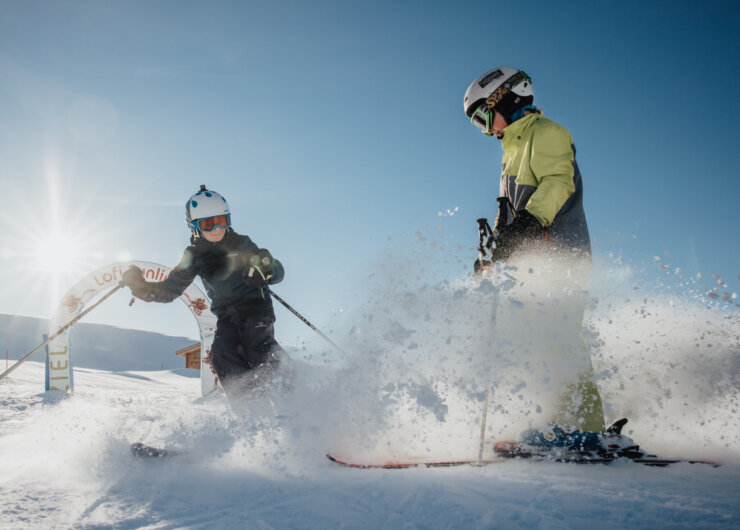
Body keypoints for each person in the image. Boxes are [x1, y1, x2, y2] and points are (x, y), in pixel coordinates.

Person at [463, 67, 637, 456]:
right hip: (533, 258)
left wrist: (529, 221)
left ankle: (582, 429)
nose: (485, 128)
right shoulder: (511, 154)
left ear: (504, 99)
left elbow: (559, 181)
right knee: (540, 340)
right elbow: (507, 213)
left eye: (484, 117)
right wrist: (492, 253)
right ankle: (565, 419)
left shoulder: (547, 133)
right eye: (477, 123)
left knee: (563, 340)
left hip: (560, 253)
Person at [121, 185, 290, 407]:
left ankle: (294, 393)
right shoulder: (194, 255)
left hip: (255, 309)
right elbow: (170, 289)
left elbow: (273, 267)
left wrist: (264, 270)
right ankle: (253, 412)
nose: (217, 228)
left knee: (256, 346)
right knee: (221, 356)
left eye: (223, 220)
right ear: (194, 227)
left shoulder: (242, 243)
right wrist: (139, 285)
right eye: (208, 224)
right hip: (227, 318)